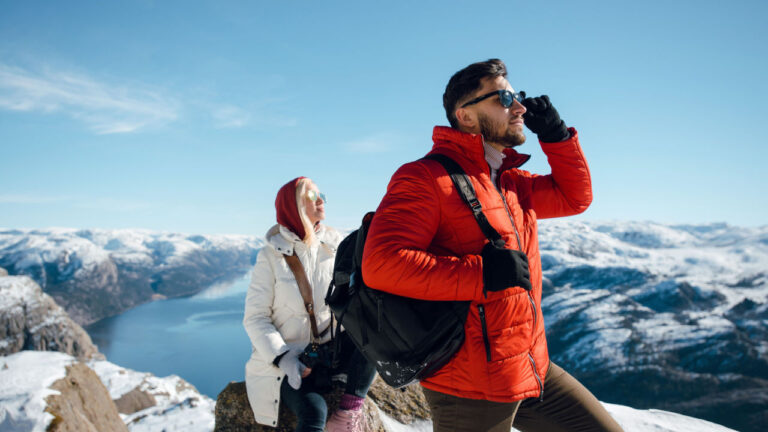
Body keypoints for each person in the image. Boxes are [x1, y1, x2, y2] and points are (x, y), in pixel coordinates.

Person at [361, 59, 624, 432]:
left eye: (516, 96)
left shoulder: (510, 181)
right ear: (465, 116)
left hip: (530, 362)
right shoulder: (426, 178)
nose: (519, 107)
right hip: (471, 381)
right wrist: (484, 274)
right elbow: (382, 263)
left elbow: (574, 197)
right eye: (504, 98)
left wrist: (557, 136)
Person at [244, 177, 377, 432]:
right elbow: (255, 318)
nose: (322, 201)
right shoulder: (270, 257)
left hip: (332, 354)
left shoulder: (336, 245)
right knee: (314, 412)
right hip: (293, 360)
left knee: (376, 329)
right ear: (293, 206)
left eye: (322, 195)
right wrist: (283, 357)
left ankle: (348, 411)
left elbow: (352, 300)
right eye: (312, 196)